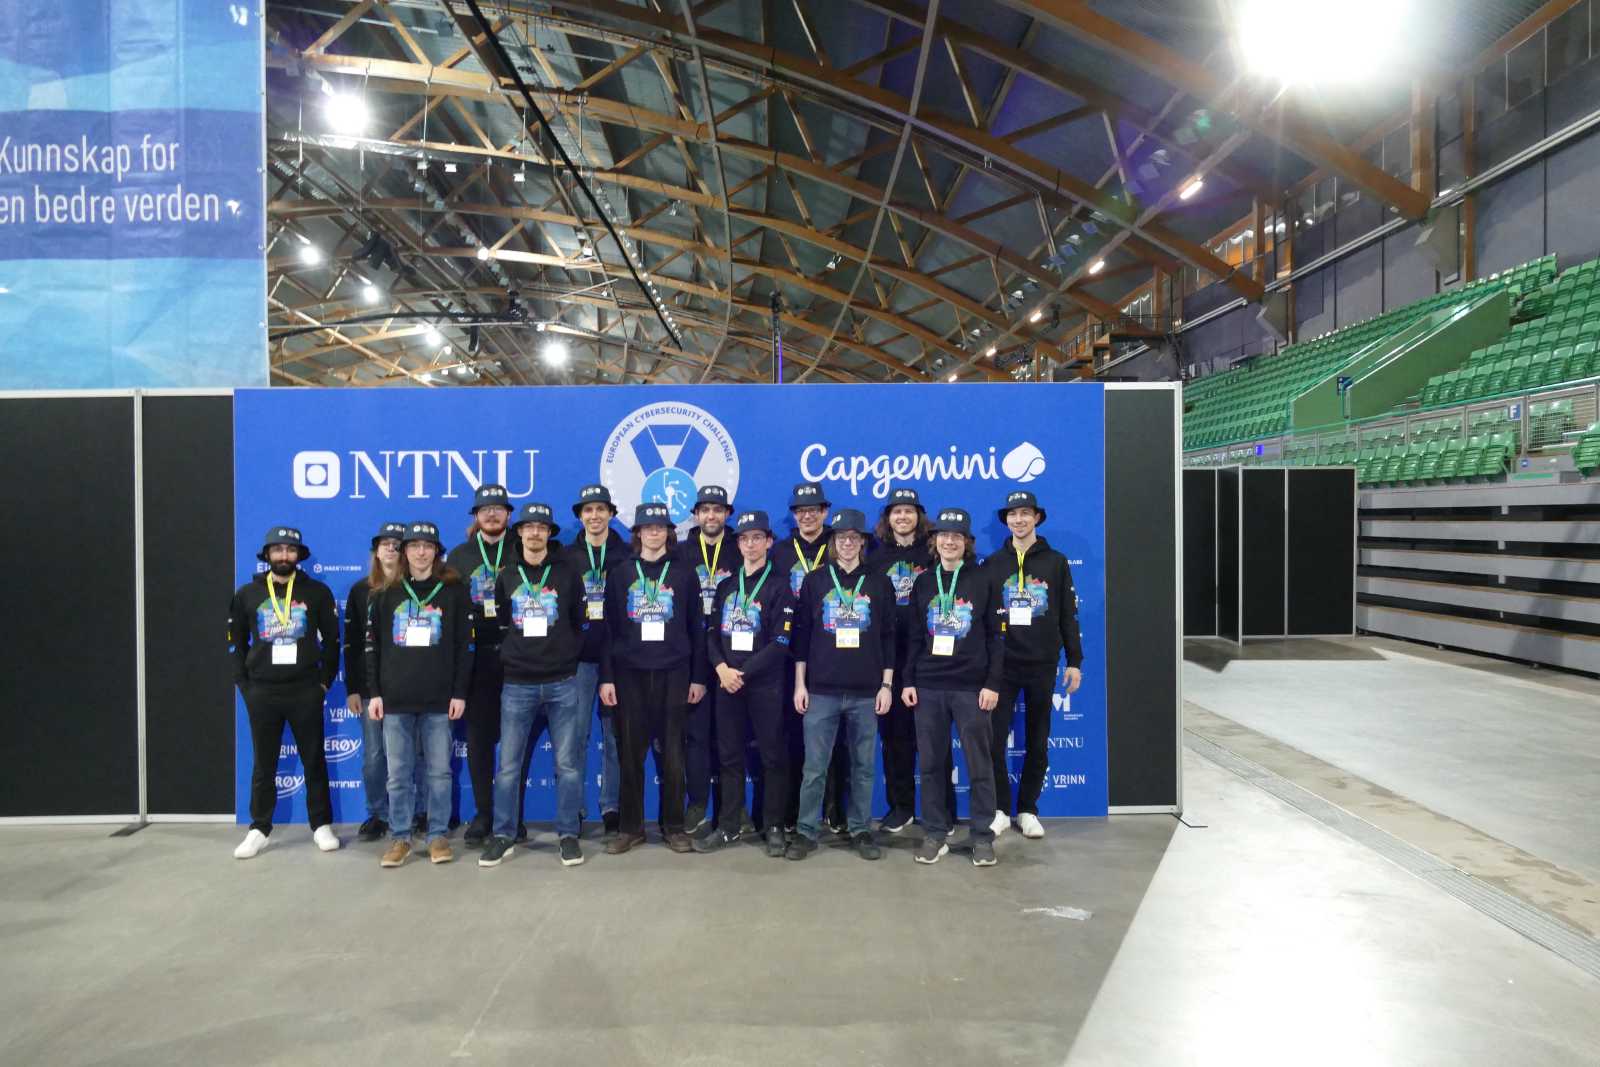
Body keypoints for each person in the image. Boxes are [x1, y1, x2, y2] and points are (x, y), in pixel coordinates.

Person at [480, 503, 590, 869]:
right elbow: (500, 623)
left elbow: (579, 621)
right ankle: (503, 835)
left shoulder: (568, 573)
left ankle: (568, 834)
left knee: (568, 766)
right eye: (529, 527)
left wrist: (565, 656)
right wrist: (515, 656)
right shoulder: (507, 575)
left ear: (549, 533)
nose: (535, 533)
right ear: (520, 532)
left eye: (542, 527)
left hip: (562, 682)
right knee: (508, 767)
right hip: (517, 684)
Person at [597, 503, 707, 854]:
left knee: (673, 754)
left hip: (675, 672)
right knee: (630, 754)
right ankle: (631, 828)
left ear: (668, 533)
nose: (654, 532)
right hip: (630, 674)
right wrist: (606, 678)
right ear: (638, 533)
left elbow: (696, 628)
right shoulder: (620, 573)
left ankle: (673, 827)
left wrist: (698, 677)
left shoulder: (684, 573)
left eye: (660, 527)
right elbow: (609, 629)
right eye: (648, 527)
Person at [227, 525, 341, 860]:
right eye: (277, 550)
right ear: (267, 555)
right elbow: (236, 643)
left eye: (290, 550)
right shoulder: (247, 594)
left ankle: (321, 824)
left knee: (314, 760)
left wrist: (323, 683)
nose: (284, 555)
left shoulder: (317, 592)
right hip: (262, 691)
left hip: (305, 689)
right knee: (264, 763)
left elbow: (332, 642)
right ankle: (259, 828)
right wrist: (244, 685)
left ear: (298, 555)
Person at [788, 509, 896, 862]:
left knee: (863, 768)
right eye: (841, 538)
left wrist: (887, 685)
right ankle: (806, 830)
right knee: (814, 768)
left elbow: (888, 637)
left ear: (863, 542)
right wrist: (800, 685)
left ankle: (861, 828)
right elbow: (802, 637)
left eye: (854, 537)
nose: (848, 543)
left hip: (866, 692)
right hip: (821, 690)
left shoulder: (879, 583)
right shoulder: (815, 581)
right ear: (833, 542)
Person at [366, 521, 474, 868]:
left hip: (439, 700)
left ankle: (437, 835)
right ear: (405, 552)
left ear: (437, 552)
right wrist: (375, 693)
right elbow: (372, 649)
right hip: (395, 700)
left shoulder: (454, 592)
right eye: (414, 546)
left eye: (428, 546)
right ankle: (400, 837)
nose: (421, 552)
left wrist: (459, 693)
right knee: (398, 775)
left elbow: (464, 647)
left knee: (439, 773)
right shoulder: (385, 593)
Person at [902, 507, 1005, 867]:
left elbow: (996, 637)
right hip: (929, 686)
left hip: (971, 688)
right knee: (931, 765)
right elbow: (915, 638)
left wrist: (992, 683)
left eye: (956, 536)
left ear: (966, 542)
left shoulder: (983, 579)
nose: (949, 542)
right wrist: (908, 680)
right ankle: (935, 833)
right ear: (935, 542)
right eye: (944, 536)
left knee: (979, 765)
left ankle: (982, 837)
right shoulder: (924, 583)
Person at [694, 510, 795, 856]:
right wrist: (721, 668)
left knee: (772, 757)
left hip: (765, 685)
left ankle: (774, 826)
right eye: (744, 539)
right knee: (729, 757)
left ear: (769, 542)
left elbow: (781, 642)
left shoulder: (780, 586)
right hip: (726, 684)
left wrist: (743, 673)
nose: (750, 544)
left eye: (757, 538)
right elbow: (710, 633)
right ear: (738, 544)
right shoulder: (726, 586)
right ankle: (728, 827)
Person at [985, 490, 1084, 841]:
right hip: (1002, 666)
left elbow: (1068, 615)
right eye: (1013, 514)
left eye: (1025, 513)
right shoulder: (993, 564)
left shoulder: (1056, 562)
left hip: (1042, 664)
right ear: (1006, 520)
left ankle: (1028, 809)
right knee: (994, 741)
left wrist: (1074, 660)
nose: (1019, 519)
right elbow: (984, 619)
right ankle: (1000, 810)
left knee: (1038, 741)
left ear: (1037, 518)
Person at [770, 481, 843, 833]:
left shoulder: (840, 544)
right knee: (792, 734)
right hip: (787, 651)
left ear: (825, 512)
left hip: (833, 649)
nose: (807, 516)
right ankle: (794, 808)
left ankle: (835, 807)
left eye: (813, 510)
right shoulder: (781, 552)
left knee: (836, 734)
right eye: (801, 511)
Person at [446, 483, 515, 847]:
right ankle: (485, 813)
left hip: (518, 657)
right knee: (479, 741)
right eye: (485, 508)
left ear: (508, 514)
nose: (491, 513)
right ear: (475, 515)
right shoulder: (459, 556)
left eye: (498, 508)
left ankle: (511, 816)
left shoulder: (523, 548)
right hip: (476, 659)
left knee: (516, 744)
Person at [342, 520, 419, 842]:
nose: (390, 548)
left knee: (415, 753)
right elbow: (351, 644)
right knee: (375, 756)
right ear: (375, 551)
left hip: (409, 683)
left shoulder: (417, 588)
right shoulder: (361, 590)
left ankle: (419, 812)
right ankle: (378, 813)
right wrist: (353, 688)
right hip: (371, 688)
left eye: (397, 544)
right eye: (384, 543)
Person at [866, 487, 931, 834]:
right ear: (887, 519)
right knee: (895, 740)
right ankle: (901, 807)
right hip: (889, 660)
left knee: (934, 738)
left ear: (918, 516)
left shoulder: (933, 552)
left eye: (908, 511)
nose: (902, 517)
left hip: (931, 658)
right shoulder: (875, 558)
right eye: (896, 511)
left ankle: (941, 810)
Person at [566, 484, 626, 836]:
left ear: (611, 514)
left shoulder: (626, 555)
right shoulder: (567, 558)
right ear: (580, 516)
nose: (594, 516)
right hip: (578, 660)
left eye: (601, 509)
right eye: (588, 510)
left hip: (617, 661)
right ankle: (573, 808)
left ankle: (611, 806)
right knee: (575, 738)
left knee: (614, 738)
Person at [679, 484, 735, 836]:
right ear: (696, 515)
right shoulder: (682, 551)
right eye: (705, 510)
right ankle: (697, 803)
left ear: (726, 514)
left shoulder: (741, 548)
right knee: (697, 736)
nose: (711, 515)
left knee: (733, 738)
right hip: (694, 656)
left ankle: (734, 808)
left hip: (733, 655)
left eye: (717, 509)